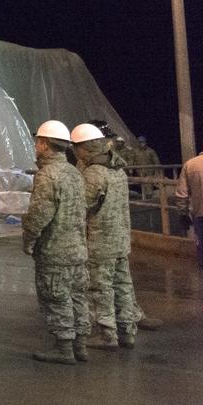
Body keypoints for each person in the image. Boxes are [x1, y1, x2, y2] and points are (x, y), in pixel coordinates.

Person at [22, 119, 90, 364]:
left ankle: (63, 349)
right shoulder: (75, 173)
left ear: (44, 144)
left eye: (37, 142)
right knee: (78, 297)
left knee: (56, 298)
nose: (36, 147)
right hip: (78, 250)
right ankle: (80, 346)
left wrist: (28, 241)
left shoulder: (47, 175)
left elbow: (39, 215)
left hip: (54, 251)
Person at [70, 123, 142, 350]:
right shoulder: (118, 170)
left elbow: (82, 207)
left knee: (100, 288)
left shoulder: (94, 173)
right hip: (121, 240)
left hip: (100, 242)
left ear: (85, 148)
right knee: (122, 285)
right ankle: (127, 331)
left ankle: (107, 335)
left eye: (76, 148)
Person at [177, 150, 203, 270]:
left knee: (201, 242)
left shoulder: (190, 164)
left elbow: (182, 193)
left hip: (199, 212)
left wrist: (183, 213)